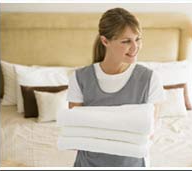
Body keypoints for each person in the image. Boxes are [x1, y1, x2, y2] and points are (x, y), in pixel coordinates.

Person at [67, 7, 165, 167]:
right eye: (126, 41)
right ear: (105, 41)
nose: (135, 47)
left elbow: (148, 133)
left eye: (138, 39)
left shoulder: (150, 79)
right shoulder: (80, 78)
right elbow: (77, 132)